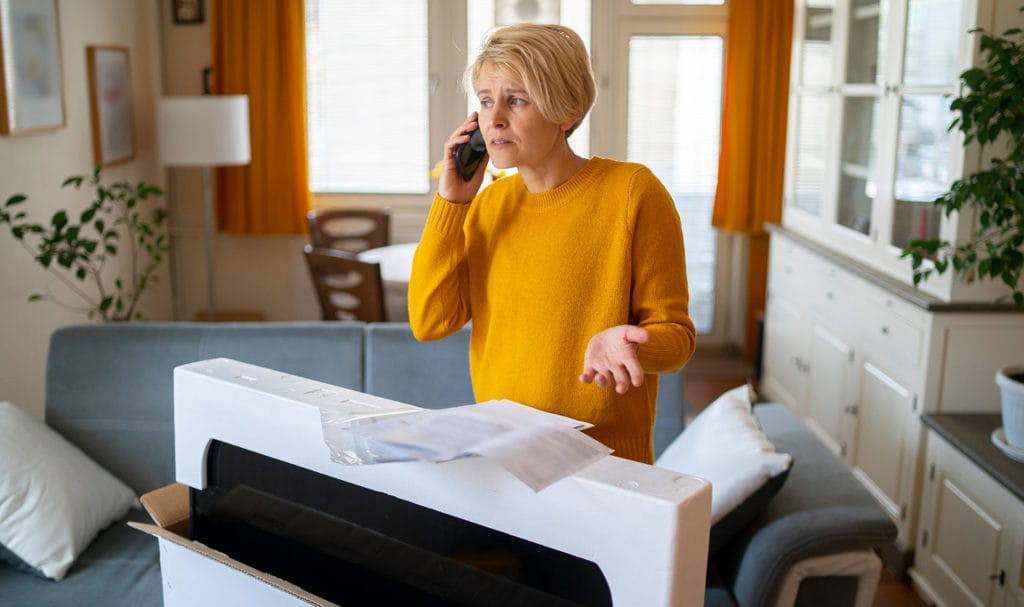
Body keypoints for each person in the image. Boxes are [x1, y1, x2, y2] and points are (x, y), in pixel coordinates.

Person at [408, 23, 695, 464]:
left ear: (569, 110)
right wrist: (452, 201)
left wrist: (629, 344)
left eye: (516, 100)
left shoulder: (632, 192)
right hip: (502, 455)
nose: (494, 118)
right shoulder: (487, 206)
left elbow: (677, 339)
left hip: (603, 463)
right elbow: (430, 321)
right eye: (485, 101)